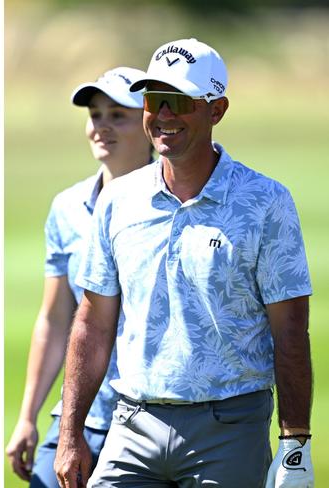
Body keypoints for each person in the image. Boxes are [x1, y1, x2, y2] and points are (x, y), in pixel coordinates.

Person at [54, 38, 314, 488]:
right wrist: (69, 433)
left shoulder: (266, 201)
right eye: (155, 101)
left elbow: (289, 328)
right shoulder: (118, 200)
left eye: (180, 101)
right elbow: (92, 323)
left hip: (229, 427)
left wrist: (295, 444)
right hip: (132, 424)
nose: (165, 115)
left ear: (217, 110)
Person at [6, 67, 153, 487]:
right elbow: (54, 320)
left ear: (148, 123)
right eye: (95, 114)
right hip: (81, 415)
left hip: (149, 419)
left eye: (117, 115)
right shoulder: (67, 208)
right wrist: (27, 417)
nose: (101, 126)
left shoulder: (175, 202)